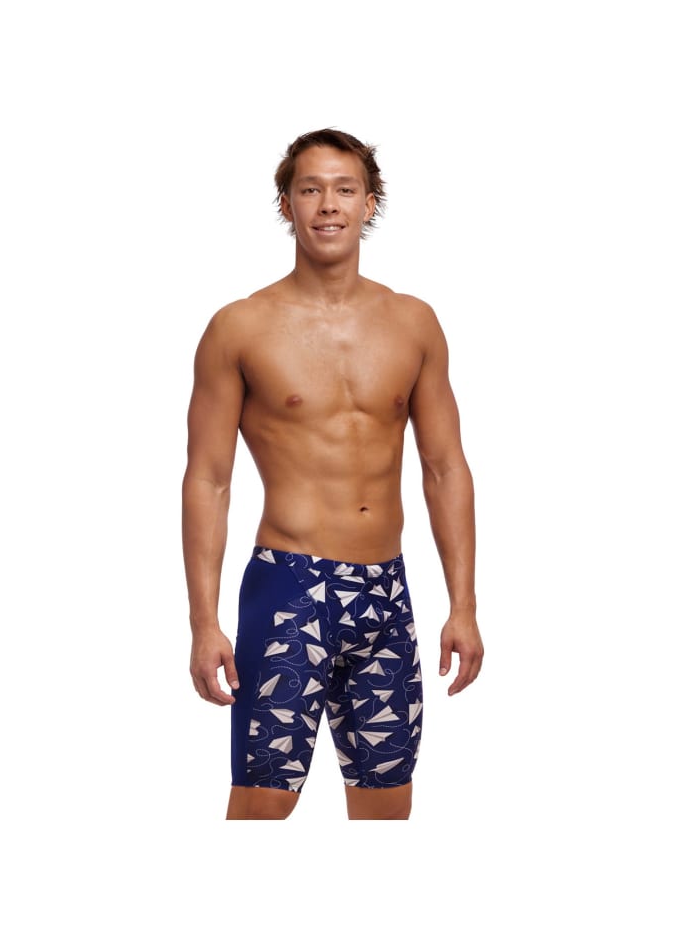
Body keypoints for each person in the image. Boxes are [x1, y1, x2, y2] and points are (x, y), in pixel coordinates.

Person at [182, 128, 483, 821]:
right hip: (290, 587)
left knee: (386, 809)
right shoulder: (240, 327)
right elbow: (208, 479)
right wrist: (203, 621)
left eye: (345, 190)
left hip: (386, 594)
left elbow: (445, 467)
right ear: (286, 204)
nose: (328, 205)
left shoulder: (414, 322)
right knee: (262, 805)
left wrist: (463, 605)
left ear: (368, 204)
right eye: (310, 189)